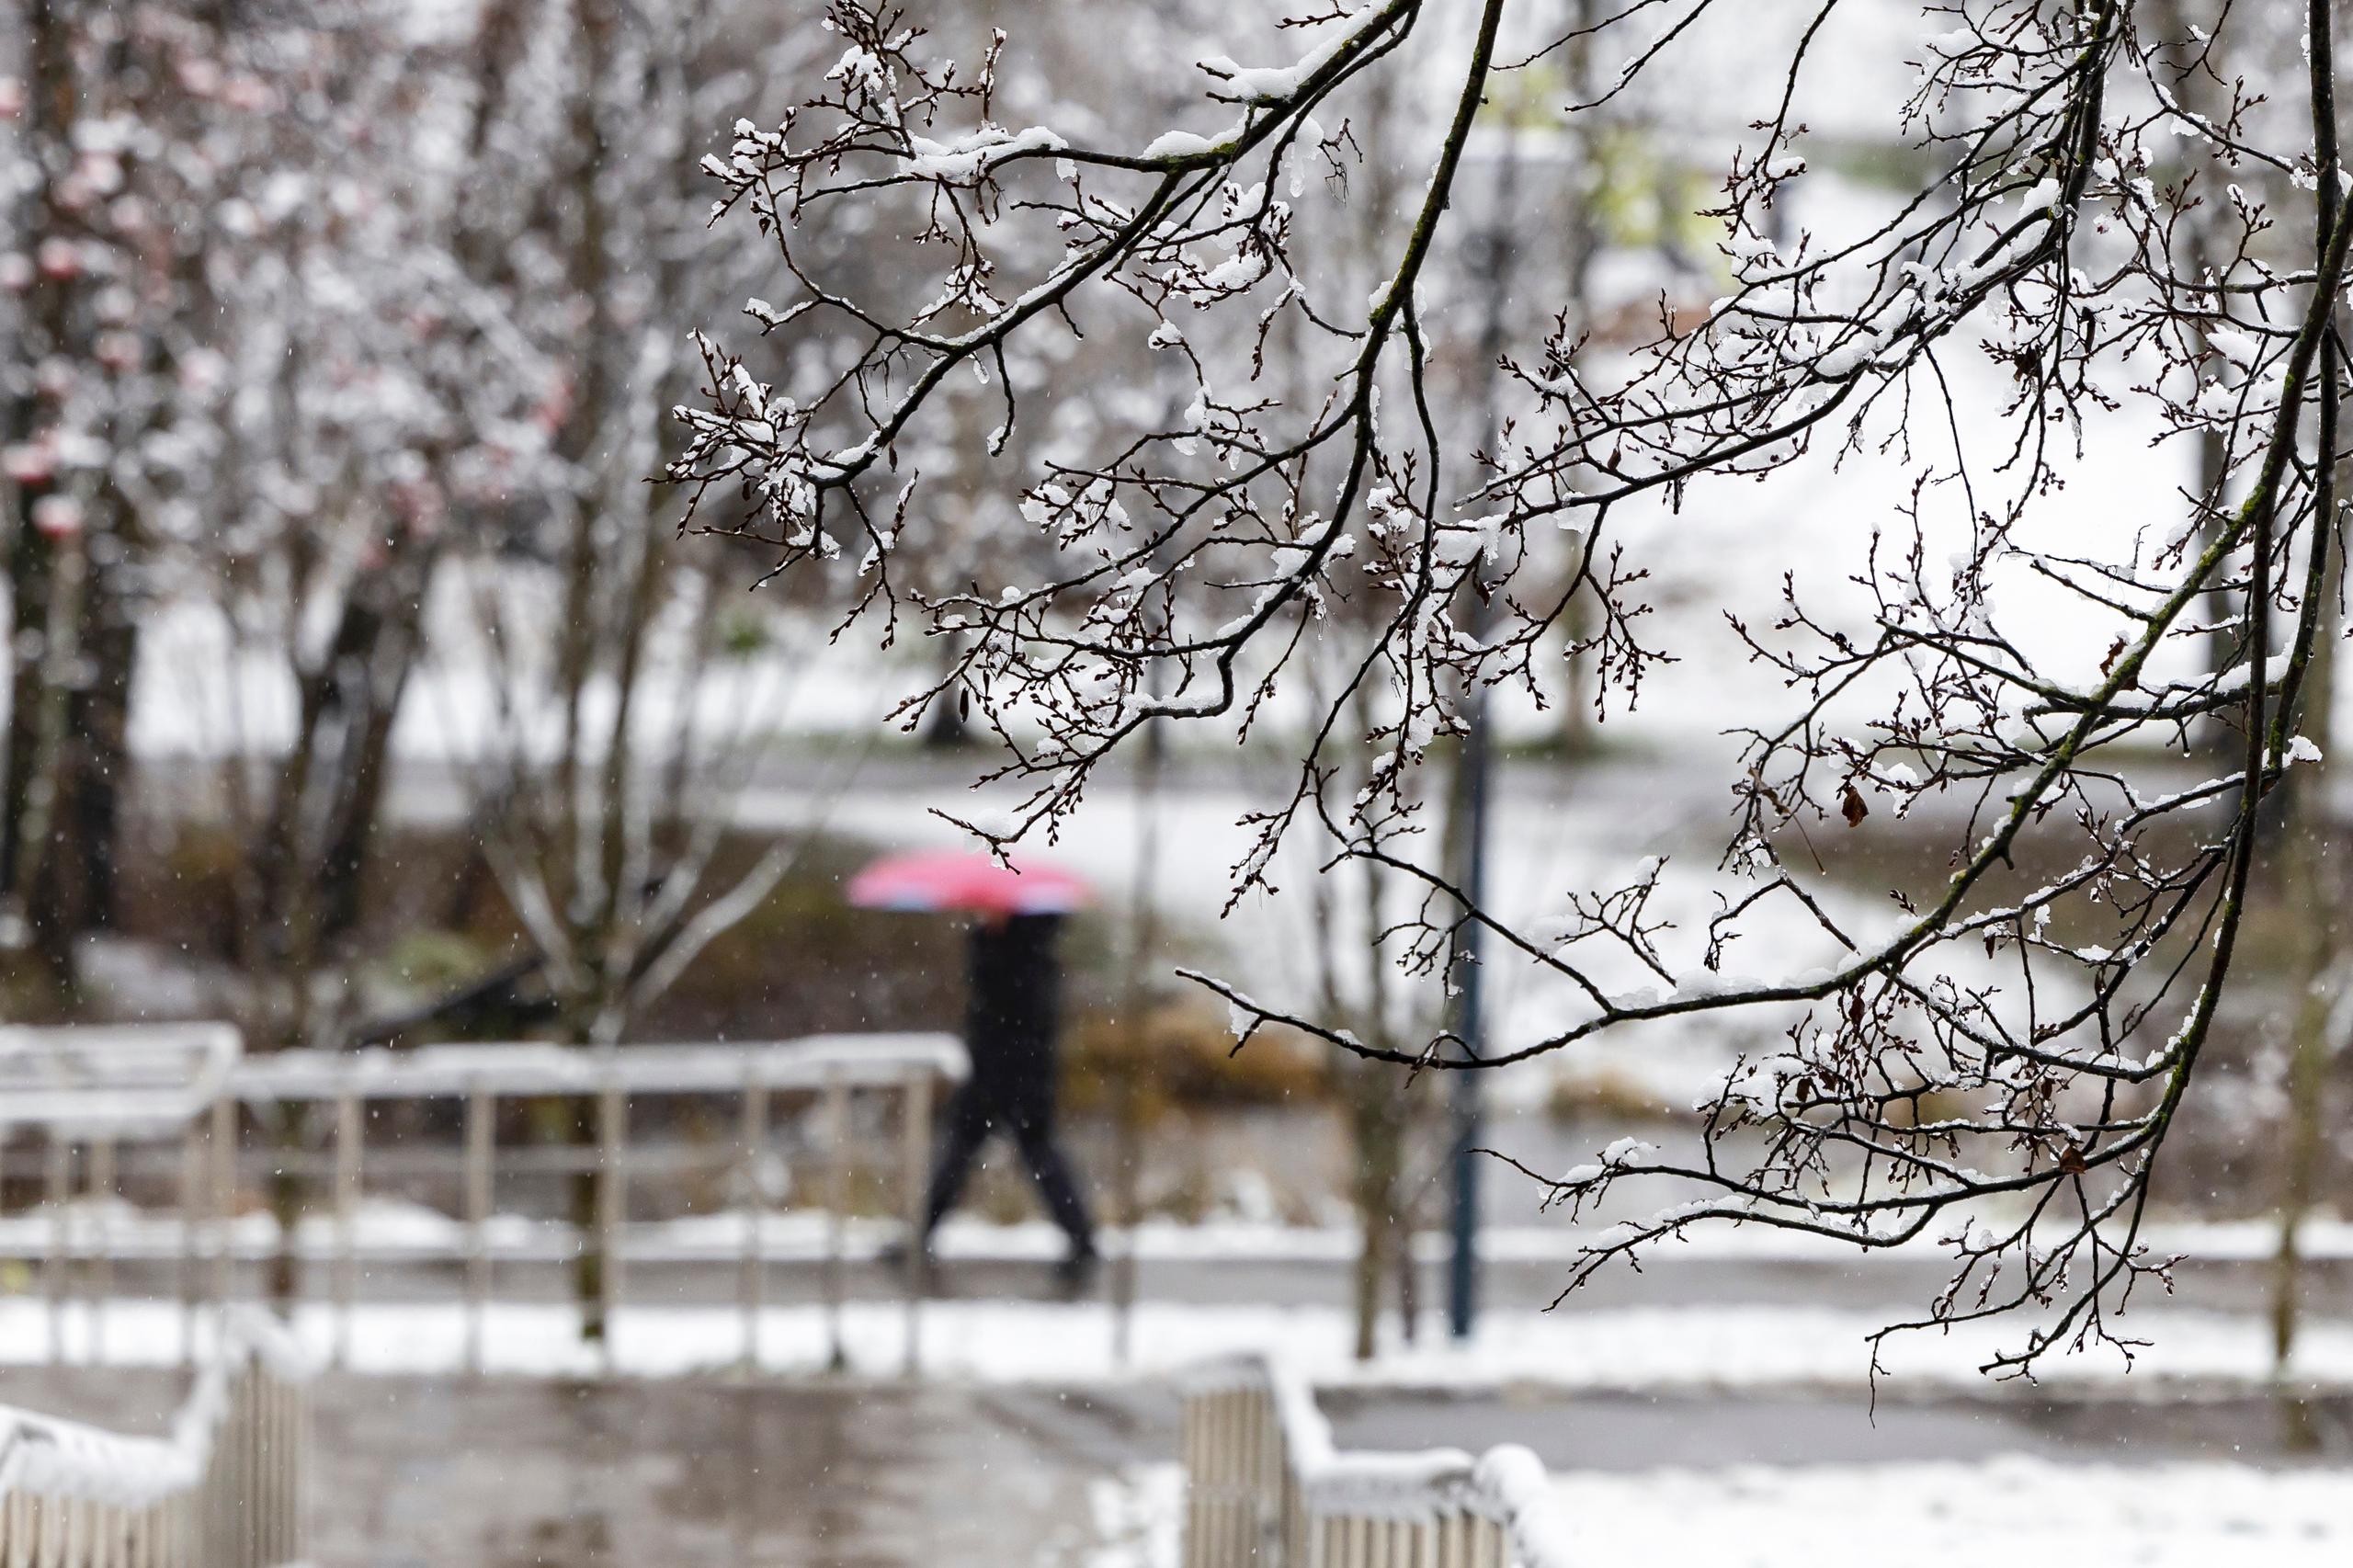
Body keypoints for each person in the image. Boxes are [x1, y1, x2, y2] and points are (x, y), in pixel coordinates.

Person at [915, 911, 1097, 1283]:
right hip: (1003, 1072)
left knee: (1025, 1153)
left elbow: (1005, 1007)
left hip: (1012, 1075)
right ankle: (922, 1233)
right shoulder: (1027, 949)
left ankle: (1082, 1239)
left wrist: (985, 946)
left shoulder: (1025, 954)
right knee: (974, 1151)